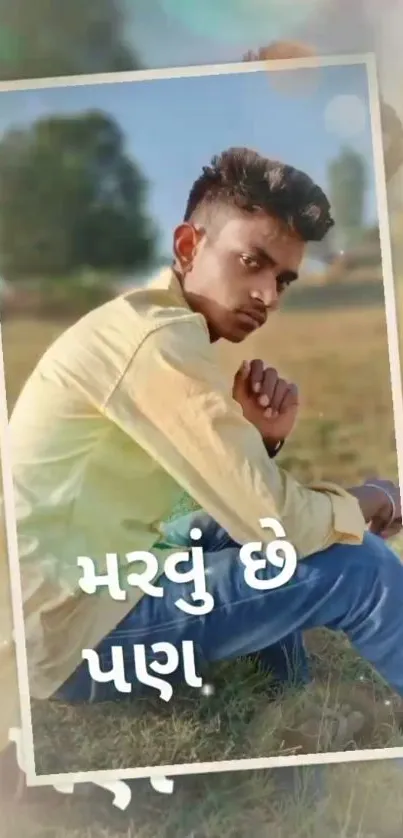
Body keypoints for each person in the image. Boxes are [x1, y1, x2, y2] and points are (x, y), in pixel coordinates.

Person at [1, 147, 402, 764]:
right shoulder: (157, 341)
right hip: (64, 638)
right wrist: (376, 498)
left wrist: (258, 440)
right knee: (362, 569)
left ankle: (289, 705)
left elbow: (213, 510)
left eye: (285, 279)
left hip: (72, 594)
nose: (268, 295)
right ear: (188, 245)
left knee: (232, 532)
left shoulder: (153, 325)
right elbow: (281, 526)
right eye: (253, 262)